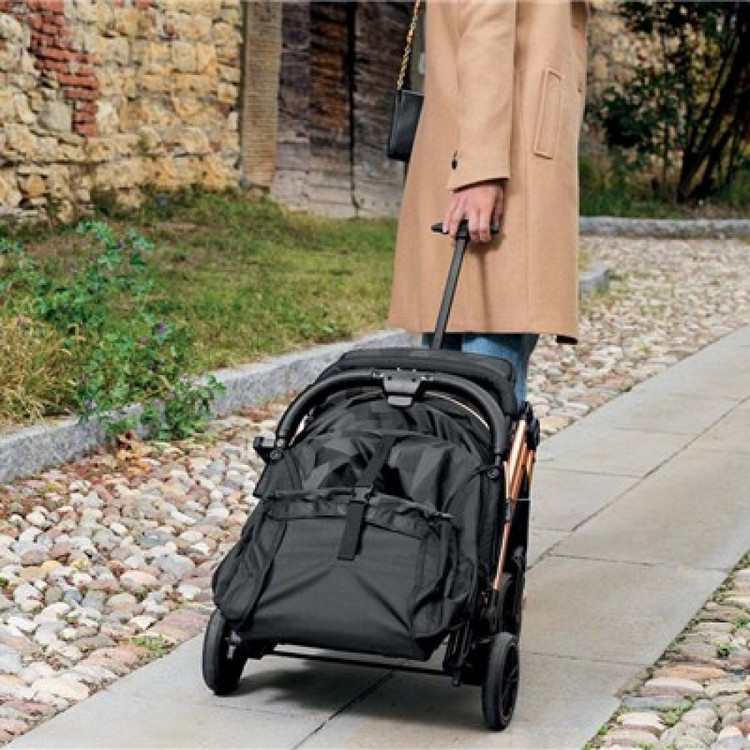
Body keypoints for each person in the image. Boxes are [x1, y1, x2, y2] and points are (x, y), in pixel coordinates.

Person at [389, 0, 589, 405]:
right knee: (485, 342)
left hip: (493, 149)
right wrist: (480, 170)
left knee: (458, 347)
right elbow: (486, 32)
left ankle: (453, 444)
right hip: (500, 163)